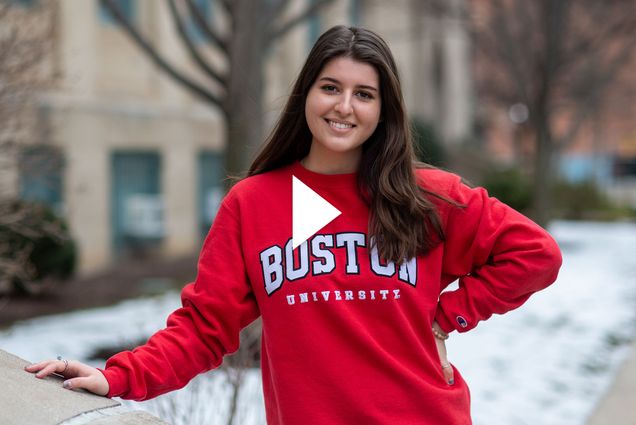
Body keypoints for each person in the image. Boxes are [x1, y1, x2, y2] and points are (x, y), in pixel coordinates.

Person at [25, 25, 562, 424]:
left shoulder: (428, 196)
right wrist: (118, 375)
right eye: (331, 87)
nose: (344, 107)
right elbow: (205, 328)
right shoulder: (252, 204)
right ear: (306, 93)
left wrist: (446, 317)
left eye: (364, 94)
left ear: (384, 109)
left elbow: (535, 255)